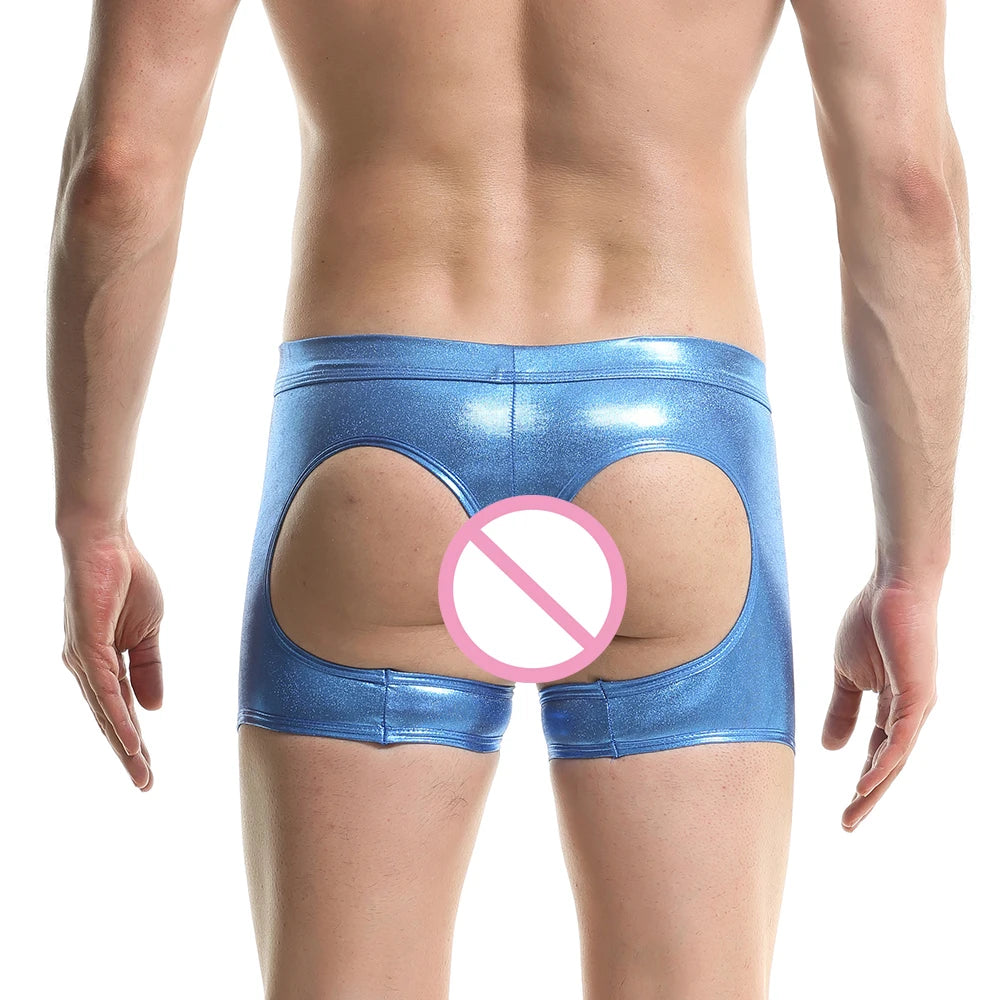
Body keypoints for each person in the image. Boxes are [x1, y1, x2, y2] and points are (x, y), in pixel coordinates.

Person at [46, 1, 970, 997]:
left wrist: (92, 524)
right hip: (675, 450)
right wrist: (910, 571)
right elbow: (908, 188)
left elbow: (117, 174)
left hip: (373, 447)